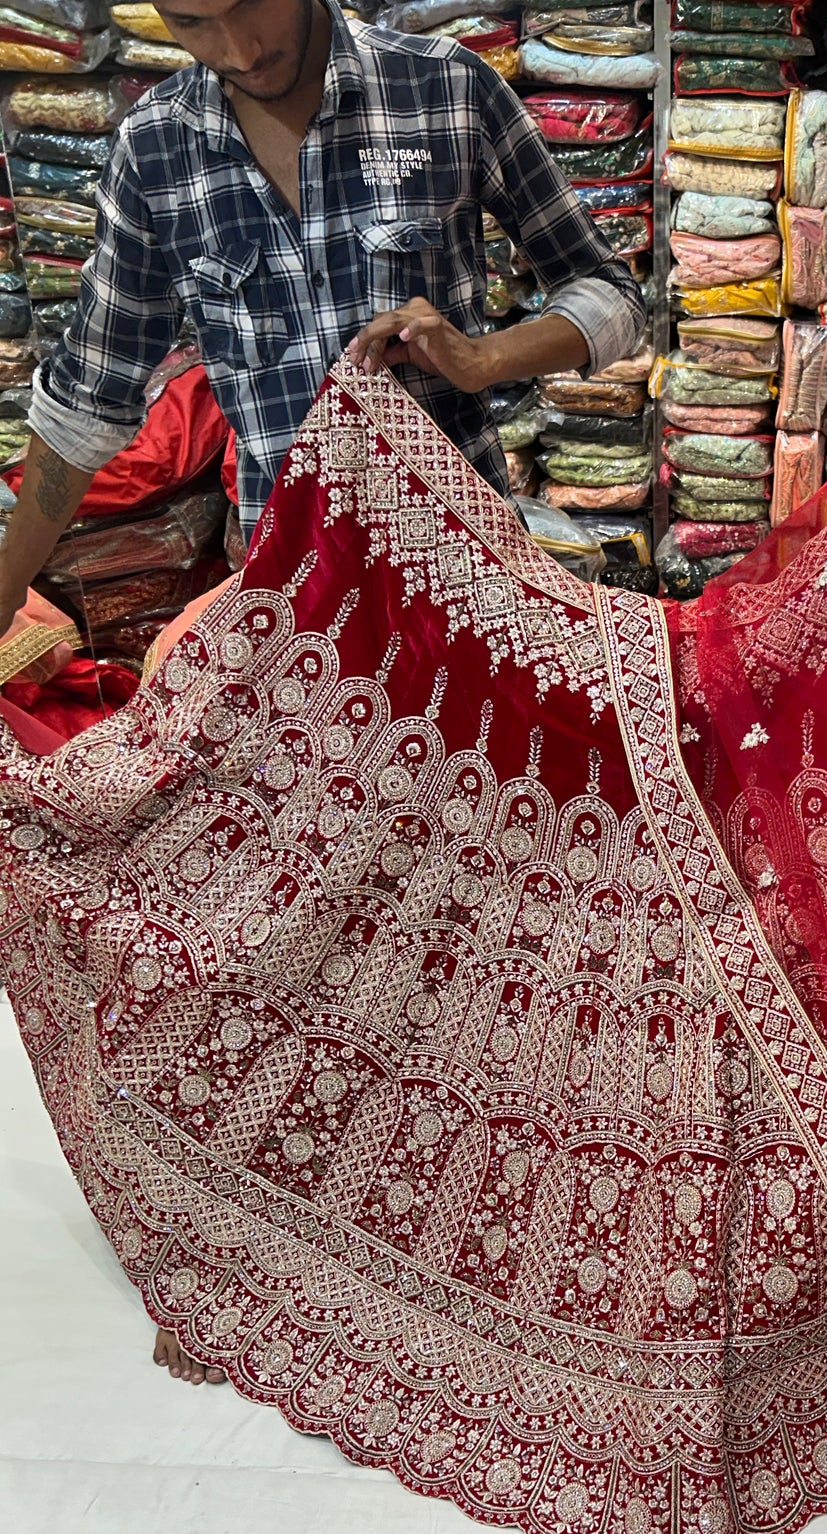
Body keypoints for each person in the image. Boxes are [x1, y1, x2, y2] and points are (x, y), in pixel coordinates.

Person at [0, 0, 645, 1382]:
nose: (230, 39)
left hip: (464, 607)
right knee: (303, 932)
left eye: (247, 0)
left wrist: (480, 357)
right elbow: (83, 413)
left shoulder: (443, 94)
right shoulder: (156, 148)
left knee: (483, 917)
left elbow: (605, 292)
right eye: (191, 14)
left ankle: (499, 1248)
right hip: (293, 620)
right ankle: (335, 1243)